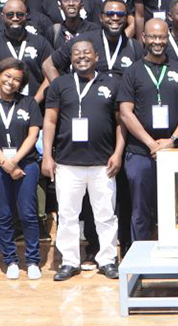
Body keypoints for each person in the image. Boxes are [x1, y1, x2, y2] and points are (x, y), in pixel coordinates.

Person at [43, 38, 124, 280]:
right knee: (67, 215)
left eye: (86, 52)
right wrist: (48, 155)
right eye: (76, 53)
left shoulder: (111, 83)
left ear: (96, 56)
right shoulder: (60, 85)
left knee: (105, 214)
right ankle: (69, 261)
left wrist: (118, 152)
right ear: (70, 58)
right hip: (67, 163)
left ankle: (108, 260)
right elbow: (49, 121)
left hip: (103, 163)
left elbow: (121, 122)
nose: (81, 56)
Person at [120, 18, 178, 243]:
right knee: (141, 209)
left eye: (162, 37)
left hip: (175, 150)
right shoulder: (132, 72)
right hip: (140, 151)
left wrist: (172, 140)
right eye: (152, 36)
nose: (157, 41)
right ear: (143, 38)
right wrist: (151, 143)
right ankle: (140, 259)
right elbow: (125, 112)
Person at [0, 59, 44, 278]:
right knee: (3, 213)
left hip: (26, 163)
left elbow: (33, 135)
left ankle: (33, 261)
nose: (11, 82)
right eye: (7, 76)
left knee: (28, 213)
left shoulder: (29, 103)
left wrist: (15, 160)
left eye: (16, 79)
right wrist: (5, 163)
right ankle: (11, 260)